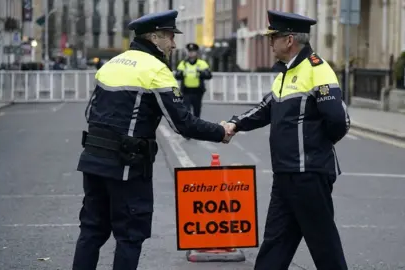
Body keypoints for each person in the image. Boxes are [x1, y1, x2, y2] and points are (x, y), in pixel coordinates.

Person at [72, 10, 232, 270]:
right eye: (170, 36)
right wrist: (220, 132)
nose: (174, 43)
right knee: (130, 236)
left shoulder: (112, 63)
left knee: (92, 231)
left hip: (92, 159)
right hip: (127, 164)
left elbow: (90, 112)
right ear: (155, 37)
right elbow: (182, 122)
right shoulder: (156, 69)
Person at [222, 10, 350, 270]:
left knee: (324, 245)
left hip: (308, 174)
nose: (270, 43)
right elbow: (266, 108)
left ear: (289, 40)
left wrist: (314, 148)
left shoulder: (317, 69)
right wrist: (236, 124)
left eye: (274, 38)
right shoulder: (286, 73)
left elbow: (337, 120)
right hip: (285, 174)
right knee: (275, 242)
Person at [175, 43, 212, 119]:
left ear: (196, 52)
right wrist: (182, 74)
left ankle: (196, 128)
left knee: (197, 112)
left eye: (193, 51)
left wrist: (201, 73)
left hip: (197, 92)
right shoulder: (183, 64)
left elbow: (209, 75)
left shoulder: (201, 63)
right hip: (186, 92)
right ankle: (188, 128)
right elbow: (177, 76)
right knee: (186, 111)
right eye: (189, 51)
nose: (191, 53)